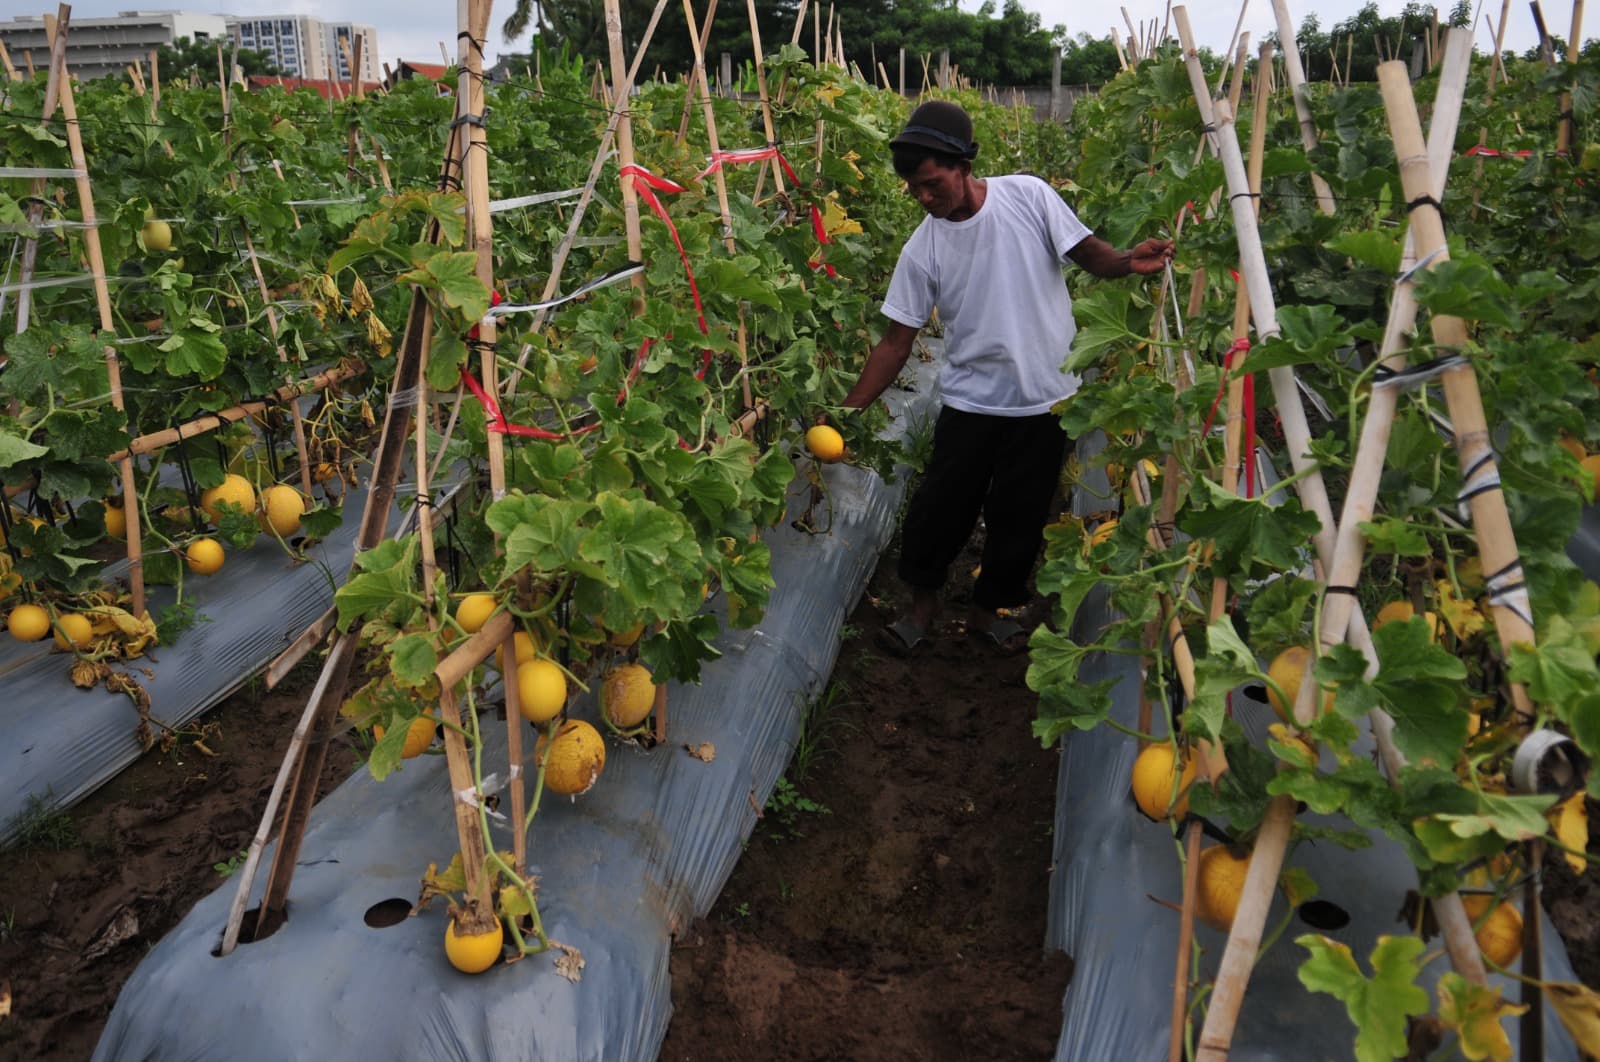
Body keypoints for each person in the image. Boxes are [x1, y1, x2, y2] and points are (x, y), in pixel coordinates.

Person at [838, 100, 1173, 656]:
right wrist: (850, 413)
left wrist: (1126, 262)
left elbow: (1091, 256)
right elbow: (897, 343)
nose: (924, 197)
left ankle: (988, 613)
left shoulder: (1029, 196)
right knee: (940, 508)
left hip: (1047, 402)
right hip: (972, 403)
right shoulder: (923, 249)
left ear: (963, 165)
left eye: (931, 183)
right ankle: (921, 610)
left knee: (1020, 516)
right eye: (914, 189)